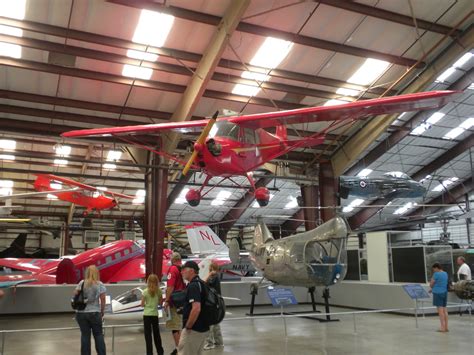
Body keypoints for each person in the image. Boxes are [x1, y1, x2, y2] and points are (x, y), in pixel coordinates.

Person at [178, 261, 210, 355]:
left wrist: (188, 326)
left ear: (191, 271)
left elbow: (196, 308)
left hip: (194, 330)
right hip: (202, 327)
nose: (181, 272)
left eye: (184, 270)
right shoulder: (201, 283)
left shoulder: (193, 286)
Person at [74, 265, 107, 355]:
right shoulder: (99, 284)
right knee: (98, 334)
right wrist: (102, 311)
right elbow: (103, 299)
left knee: (85, 335)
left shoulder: (81, 283)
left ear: (87, 273)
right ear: (96, 273)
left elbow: (75, 295)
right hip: (94, 312)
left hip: (81, 313)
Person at [164, 252, 186, 355]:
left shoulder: (172, 269)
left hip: (174, 303)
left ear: (172, 260)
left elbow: (170, 286)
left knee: (174, 327)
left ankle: (179, 350)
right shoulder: (183, 269)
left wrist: (167, 300)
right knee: (180, 326)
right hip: (183, 301)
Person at [142, 274, 164, 355]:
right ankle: (160, 352)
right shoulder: (159, 291)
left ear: (148, 281)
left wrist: (146, 305)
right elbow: (161, 303)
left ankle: (149, 353)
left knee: (148, 336)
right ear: (157, 282)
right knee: (156, 334)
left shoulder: (145, 291)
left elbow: (142, 304)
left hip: (146, 315)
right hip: (155, 314)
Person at [203, 263, 223, 350]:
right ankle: (219, 342)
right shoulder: (217, 277)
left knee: (209, 323)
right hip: (216, 303)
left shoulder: (213, 277)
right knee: (216, 323)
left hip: (211, 303)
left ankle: (209, 343)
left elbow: (204, 283)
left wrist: (209, 275)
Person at [429, 263, 449, 333]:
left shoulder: (436, 274)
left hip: (438, 293)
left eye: (433, 269)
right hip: (445, 293)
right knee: (445, 310)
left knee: (440, 311)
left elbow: (431, 284)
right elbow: (442, 283)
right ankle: (446, 327)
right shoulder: (445, 273)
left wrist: (432, 287)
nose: (433, 271)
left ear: (436, 268)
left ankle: (442, 327)